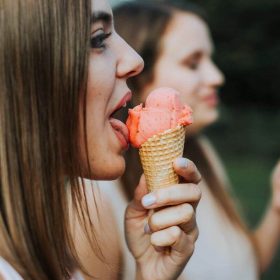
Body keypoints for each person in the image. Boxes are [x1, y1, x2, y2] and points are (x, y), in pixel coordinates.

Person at [0, 0, 202, 279]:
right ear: (19, 74)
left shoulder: (47, 254)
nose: (135, 60)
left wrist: (150, 274)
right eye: (98, 38)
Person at [97, 0, 280, 279]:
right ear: (138, 78)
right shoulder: (96, 199)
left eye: (210, 60)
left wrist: (277, 206)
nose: (217, 77)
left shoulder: (201, 154)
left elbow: (242, 269)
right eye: (192, 63)